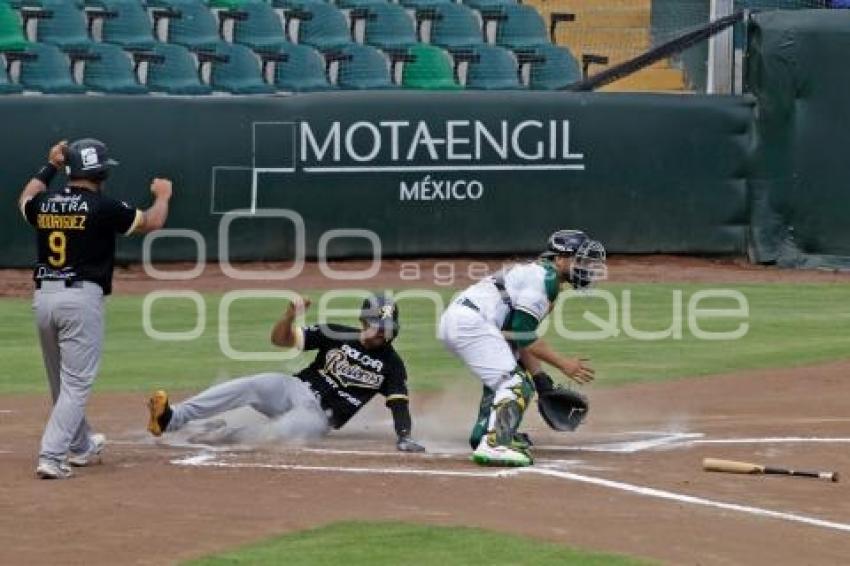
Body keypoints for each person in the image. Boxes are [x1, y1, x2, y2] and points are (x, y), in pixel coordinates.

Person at [19, 138, 173, 479]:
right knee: (75, 384)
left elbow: (25, 198)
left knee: (61, 382)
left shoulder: (46, 201)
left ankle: (82, 446)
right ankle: (51, 456)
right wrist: (163, 195)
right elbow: (152, 222)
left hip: (44, 298)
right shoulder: (103, 207)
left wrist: (50, 166)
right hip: (80, 299)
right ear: (101, 171)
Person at [147, 294, 426, 453]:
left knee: (278, 433)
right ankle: (172, 418)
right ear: (364, 321)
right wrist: (289, 317)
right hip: (294, 388)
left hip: (318, 417)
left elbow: (399, 405)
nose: (382, 331)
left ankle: (222, 434)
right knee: (252, 384)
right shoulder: (337, 333)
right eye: (378, 324)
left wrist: (404, 436)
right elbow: (280, 341)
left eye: (387, 327)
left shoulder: (392, 364)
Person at [438, 230, 606, 467]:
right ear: (559, 259)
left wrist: (541, 380)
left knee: (511, 370)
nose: (586, 268)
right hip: (471, 324)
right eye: (579, 260)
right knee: (514, 383)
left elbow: (517, 338)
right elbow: (524, 334)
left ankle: (485, 433)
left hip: (463, 321)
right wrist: (564, 364)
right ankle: (494, 446)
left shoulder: (539, 275)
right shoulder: (544, 281)